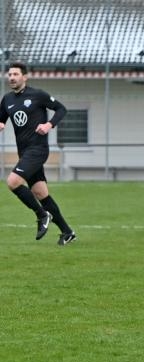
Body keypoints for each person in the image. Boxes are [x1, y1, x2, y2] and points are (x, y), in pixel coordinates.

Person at [0, 62, 76, 245]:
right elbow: (1, 121)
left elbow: (61, 109)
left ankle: (42, 215)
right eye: (9, 74)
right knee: (41, 193)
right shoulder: (7, 99)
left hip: (38, 150)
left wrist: (49, 125)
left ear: (25, 77)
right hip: (24, 152)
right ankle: (67, 232)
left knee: (12, 182)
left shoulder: (38, 95)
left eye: (15, 74)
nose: (11, 77)